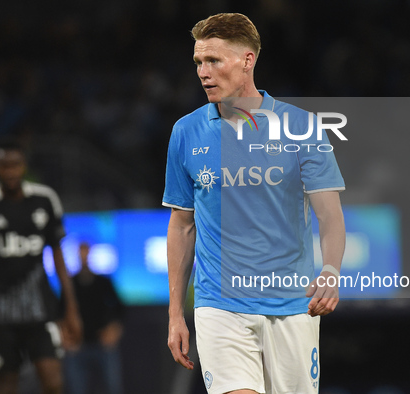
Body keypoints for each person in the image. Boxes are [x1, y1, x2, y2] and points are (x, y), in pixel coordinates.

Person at [162, 13, 346, 394]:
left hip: (294, 305)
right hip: (220, 305)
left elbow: (329, 215)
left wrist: (331, 269)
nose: (203, 72)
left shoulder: (303, 128)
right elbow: (182, 224)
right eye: (199, 62)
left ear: (247, 60)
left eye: (214, 60)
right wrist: (175, 313)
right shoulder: (185, 132)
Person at [0, 139, 82, 394]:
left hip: (41, 309)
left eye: (15, 165)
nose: (10, 172)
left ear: (24, 166)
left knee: (53, 381)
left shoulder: (45, 200)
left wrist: (70, 308)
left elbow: (59, 256)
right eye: (4, 165)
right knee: (6, 384)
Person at [63, 242, 124, 394]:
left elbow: (120, 310)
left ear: (91, 254)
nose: (84, 257)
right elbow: (59, 313)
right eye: (80, 253)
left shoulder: (103, 282)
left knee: (113, 388)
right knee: (76, 389)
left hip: (102, 345)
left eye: (86, 253)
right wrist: (65, 336)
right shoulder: (69, 284)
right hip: (78, 346)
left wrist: (114, 331)